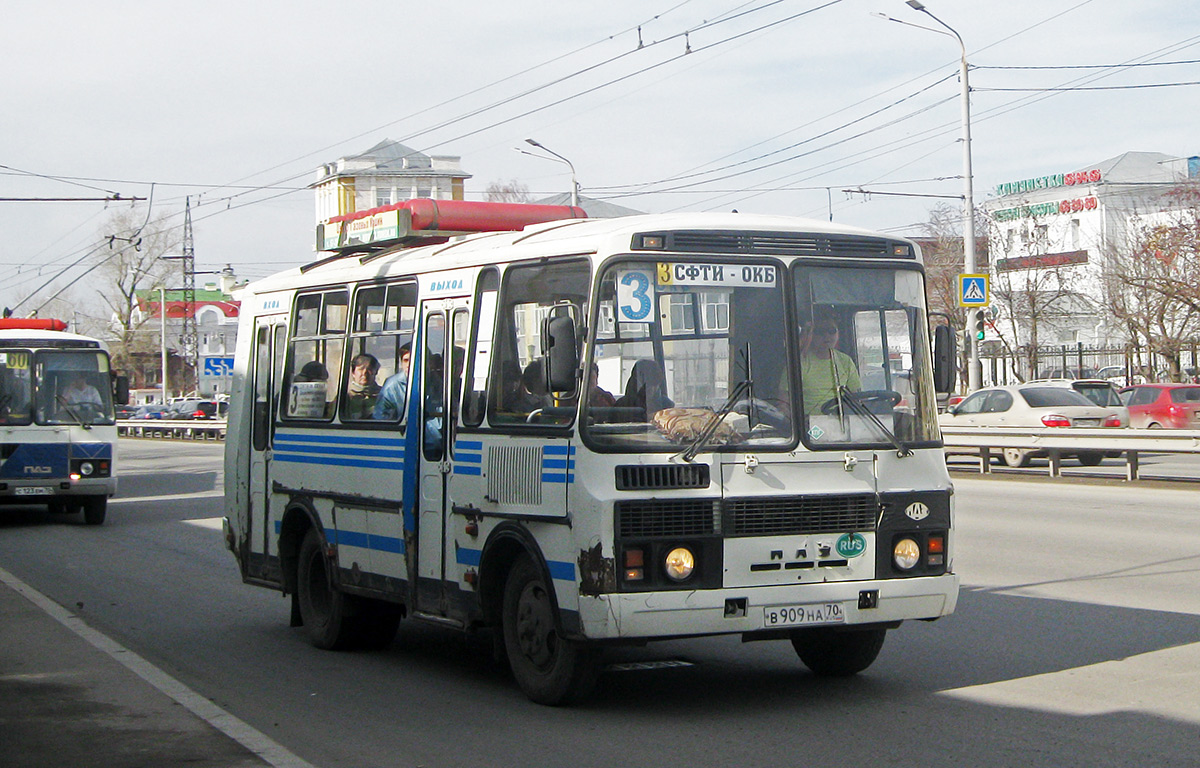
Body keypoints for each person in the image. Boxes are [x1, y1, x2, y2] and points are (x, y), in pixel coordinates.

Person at [798, 316, 860, 415]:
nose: (827, 336)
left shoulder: (845, 361)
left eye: (831, 331)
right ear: (811, 335)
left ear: (838, 334)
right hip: (808, 426)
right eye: (820, 331)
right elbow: (784, 403)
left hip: (840, 422)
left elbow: (856, 397)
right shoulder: (800, 362)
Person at [373, 343, 411, 421]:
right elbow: (380, 415)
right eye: (406, 360)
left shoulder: (435, 382)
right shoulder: (392, 385)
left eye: (414, 361)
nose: (409, 364)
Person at [344, 353, 380, 420]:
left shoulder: (384, 395)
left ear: (376, 372)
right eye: (361, 369)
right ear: (353, 373)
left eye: (369, 369)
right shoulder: (345, 396)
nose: (364, 373)